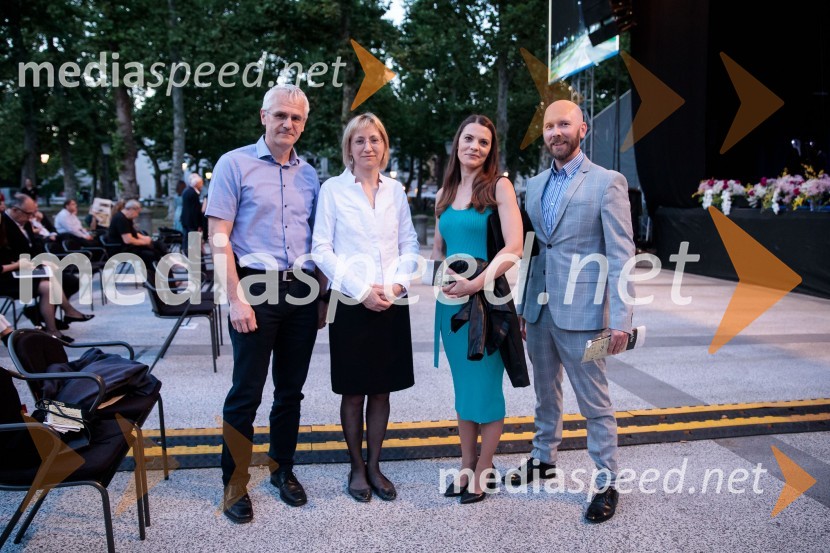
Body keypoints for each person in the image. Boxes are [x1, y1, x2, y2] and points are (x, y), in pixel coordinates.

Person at [510, 100, 635, 523]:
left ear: (583, 128)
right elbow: (534, 251)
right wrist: (525, 307)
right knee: (546, 392)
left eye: (564, 123)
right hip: (541, 314)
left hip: (588, 316)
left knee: (595, 401)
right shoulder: (534, 183)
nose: (555, 132)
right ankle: (543, 458)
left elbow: (621, 255)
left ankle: (606, 482)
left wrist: (621, 318)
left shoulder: (607, 182)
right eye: (549, 126)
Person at [206, 84, 324, 523]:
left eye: (295, 118)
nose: (287, 124)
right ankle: (234, 482)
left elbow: (318, 239)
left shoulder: (310, 175)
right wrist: (235, 298)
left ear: (303, 124)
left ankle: (282, 470)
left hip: (301, 288)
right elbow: (219, 239)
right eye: (280, 115)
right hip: (254, 287)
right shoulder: (233, 164)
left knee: (290, 392)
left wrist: (321, 296)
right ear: (263, 116)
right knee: (246, 392)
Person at [312, 113, 419, 503]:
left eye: (375, 140)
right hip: (350, 301)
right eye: (360, 141)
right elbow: (321, 248)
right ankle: (356, 468)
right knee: (354, 392)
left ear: (384, 146)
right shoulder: (333, 190)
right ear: (349, 148)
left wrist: (395, 285)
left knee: (382, 391)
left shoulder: (395, 191)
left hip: (391, 299)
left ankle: (375, 465)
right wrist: (361, 290)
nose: (368, 147)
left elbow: (410, 244)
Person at [431, 114, 525, 504]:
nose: (475, 147)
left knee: (486, 390)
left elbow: (514, 248)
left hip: (487, 303)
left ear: (490, 149)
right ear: (457, 142)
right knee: (463, 390)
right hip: (450, 306)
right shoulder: (444, 192)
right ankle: (466, 464)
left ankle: (484, 469)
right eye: (469, 138)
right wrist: (441, 276)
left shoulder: (499, 187)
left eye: (483, 142)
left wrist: (475, 282)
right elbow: (438, 247)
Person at [0, 194, 93, 342]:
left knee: (67, 280)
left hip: (24, 268)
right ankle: (55, 326)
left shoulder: (26, 223)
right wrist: (19, 264)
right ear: (15, 210)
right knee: (49, 284)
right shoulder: (5, 224)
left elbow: (34, 247)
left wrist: (41, 261)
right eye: (28, 213)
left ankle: (42, 314)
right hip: (9, 277)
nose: (31, 217)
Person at [107, 199, 167, 282]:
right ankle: (156, 277)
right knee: (150, 254)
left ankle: (163, 274)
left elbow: (134, 233)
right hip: (121, 249)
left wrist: (146, 239)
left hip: (128, 247)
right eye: (137, 213)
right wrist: (144, 242)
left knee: (158, 247)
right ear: (132, 209)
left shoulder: (127, 218)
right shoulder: (120, 219)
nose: (137, 215)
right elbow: (128, 240)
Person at [180, 173, 204, 253]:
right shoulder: (193, 194)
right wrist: (199, 224)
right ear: (196, 184)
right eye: (201, 183)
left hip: (186, 220)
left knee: (187, 239)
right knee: (192, 242)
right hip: (192, 223)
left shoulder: (186, 191)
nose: (202, 185)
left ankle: (186, 254)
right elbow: (195, 210)